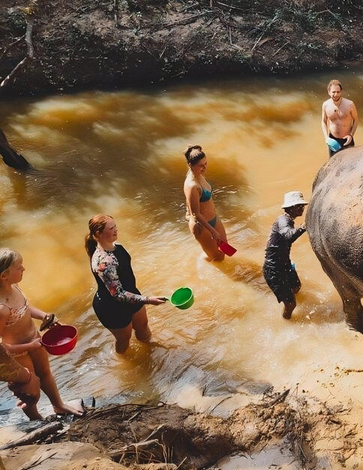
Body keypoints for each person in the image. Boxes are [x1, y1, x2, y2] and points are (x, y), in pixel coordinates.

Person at [0, 248, 82, 419]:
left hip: (35, 340)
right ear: (4, 276)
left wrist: (44, 316)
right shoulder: (1, 308)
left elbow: (25, 308)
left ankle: (58, 405)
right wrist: (29, 346)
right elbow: (1, 347)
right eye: (19, 267)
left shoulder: (15, 287)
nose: (24, 269)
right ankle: (35, 418)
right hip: (18, 352)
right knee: (30, 390)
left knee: (45, 374)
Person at [85, 215, 166, 354]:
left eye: (115, 226)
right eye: (111, 228)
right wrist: (148, 300)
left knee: (143, 326)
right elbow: (118, 294)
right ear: (99, 233)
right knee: (124, 340)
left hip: (131, 294)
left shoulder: (116, 247)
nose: (116, 230)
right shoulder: (104, 262)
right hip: (111, 307)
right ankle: (124, 365)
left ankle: (152, 352)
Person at [264, 191, 308, 320]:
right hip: (274, 269)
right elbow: (289, 235)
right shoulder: (283, 220)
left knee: (296, 287)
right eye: (299, 206)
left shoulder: (288, 220)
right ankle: (287, 321)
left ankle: (285, 295)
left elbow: (287, 238)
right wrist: (304, 226)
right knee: (291, 304)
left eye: (302, 206)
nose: (302, 208)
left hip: (284, 263)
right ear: (290, 208)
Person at [184, 145, 228, 261]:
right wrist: (212, 231)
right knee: (216, 258)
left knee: (225, 250)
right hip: (202, 226)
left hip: (214, 219)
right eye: (201, 165)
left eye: (206, 164)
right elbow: (196, 214)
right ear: (190, 165)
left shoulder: (200, 176)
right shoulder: (192, 185)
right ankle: (202, 265)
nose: (204, 168)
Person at [321, 79, 359, 158]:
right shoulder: (325, 105)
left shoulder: (349, 104)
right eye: (333, 92)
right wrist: (326, 138)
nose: (336, 94)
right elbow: (323, 121)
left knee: (350, 164)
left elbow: (356, 120)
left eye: (338, 92)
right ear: (329, 92)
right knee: (333, 164)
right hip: (333, 140)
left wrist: (351, 136)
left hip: (347, 140)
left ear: (341, 92)